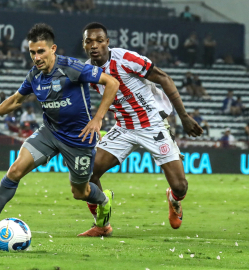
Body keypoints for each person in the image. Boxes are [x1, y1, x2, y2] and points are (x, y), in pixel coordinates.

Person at [0, 23, 120, 238]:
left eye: (41, 51)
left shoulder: (71, 68)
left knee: (80, 192)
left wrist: (98, 119)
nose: (36, 57)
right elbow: (16, 100)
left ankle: (104, 200)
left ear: (53, 49)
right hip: (50, 133)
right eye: (32, 52)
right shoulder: (34, 75)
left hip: (79, 139)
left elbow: (112, 83)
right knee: (15, 170)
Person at [78, 22, 203, 236]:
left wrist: (184, 117)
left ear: (107, 42)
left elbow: (163, 78)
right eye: (89, 41)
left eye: (99, 40)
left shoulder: (126, 59)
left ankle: (173, 199)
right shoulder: (86, 72)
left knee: (180, 186)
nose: (94, 45)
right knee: (87, 172)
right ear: (84, 45)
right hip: (124, 128)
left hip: (153, 125)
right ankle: (102, 223)